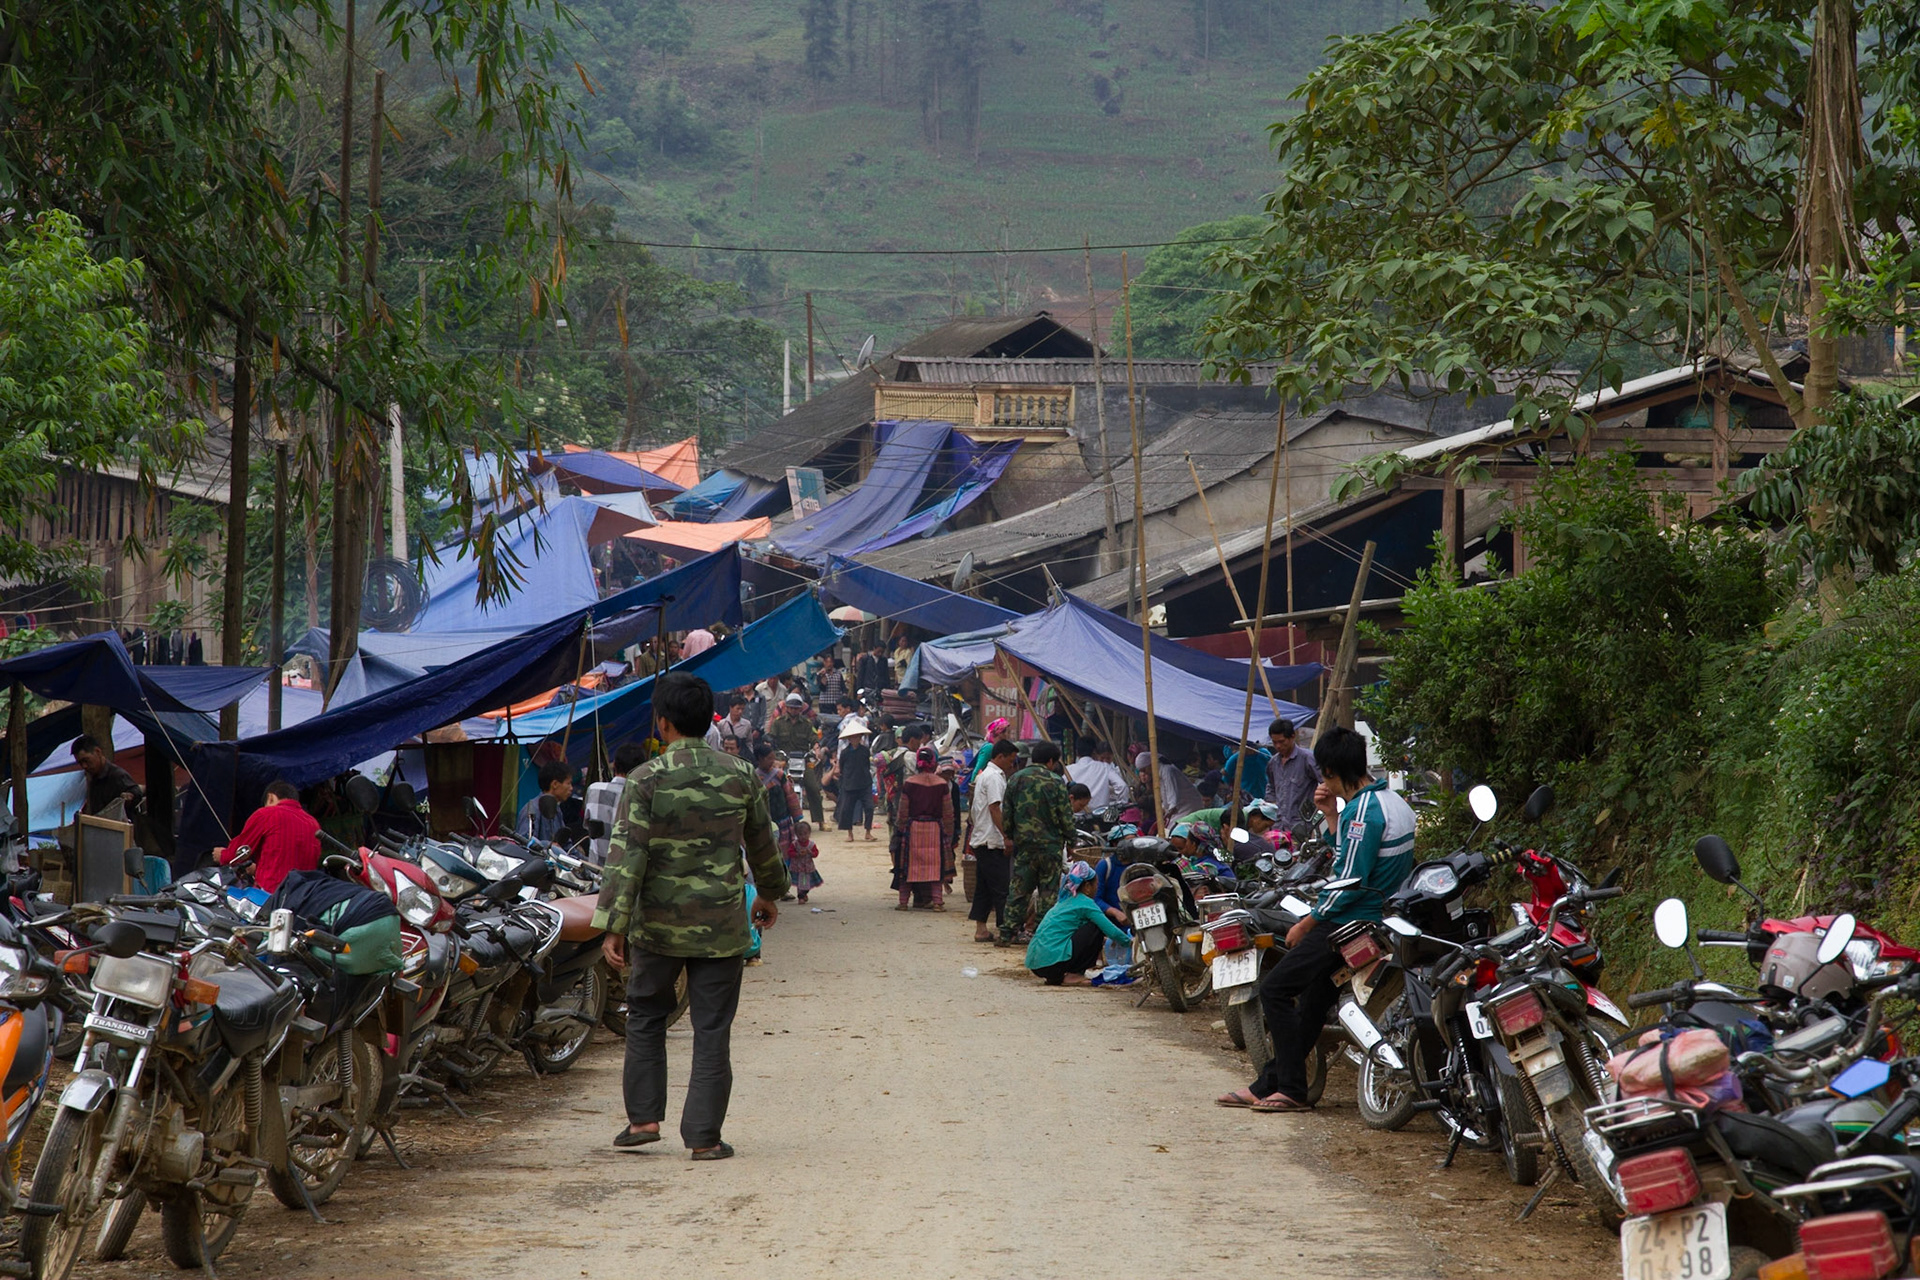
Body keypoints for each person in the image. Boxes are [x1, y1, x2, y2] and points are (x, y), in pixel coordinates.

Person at [592, 671, 787, 1160]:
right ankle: (703, 1138)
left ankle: (642, 1121)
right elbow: (764, 845)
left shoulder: (644, 780)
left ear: (662, 724)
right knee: (711, 1029)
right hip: (721, 928)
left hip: (656, 928)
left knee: (645, 1018)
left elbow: (626, 857)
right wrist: (769, 894)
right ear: (709, 721)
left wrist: (613, 925)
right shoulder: (740, 776)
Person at [1217, 725, 1414, 1113]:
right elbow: (1354, 855)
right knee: (1310, 1003)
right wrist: (1328, 814)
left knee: (1274, 989)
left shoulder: (1362, 812)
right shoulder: (1396, 804)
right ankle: (1269, 1083)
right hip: (1378, 918)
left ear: (1329, 772)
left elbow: (1348, 881)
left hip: (1347, 921)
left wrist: (1307, 922)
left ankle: (1291, 1089)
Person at [998, 741, 1075, 948]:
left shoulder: (1015, 778)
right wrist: (1072, 840)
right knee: (1048, 892)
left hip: (1024, 846)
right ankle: (1042, 935)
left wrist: (1010, 835)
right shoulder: (1057, 781)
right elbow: (1065, 815)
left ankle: (1007, 933)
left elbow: (1008, 813)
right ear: (1050, 761)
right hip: (1051, 847)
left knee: (1019, 889)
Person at [1025, 861, 1132, 986]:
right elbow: (1111, 931)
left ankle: (1056, 977)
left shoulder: (1064, 900)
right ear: (1087, 887)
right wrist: (1132, 943)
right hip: (1052, 964)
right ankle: (1074, 974)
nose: (1097, 888)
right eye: (1095, 884)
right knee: (1095, 927)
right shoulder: (1086, 903)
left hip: (1037, 965)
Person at [217, 780, 321, 893]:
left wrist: (222, 855)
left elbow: (235, 854)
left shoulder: (266, 814)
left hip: (270, 895)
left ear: (270, 798)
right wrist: (257, 869)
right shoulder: (313, 823)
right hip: (303, 895)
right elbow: (292, 862)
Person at [893, 745, 956, 910]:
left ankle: (903, 902)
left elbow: (902, 811)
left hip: (913, 828)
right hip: (935, 829)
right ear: (934, 762)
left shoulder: (909, 783)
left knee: (908, 867)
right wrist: (948, 834)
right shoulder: (941, 784)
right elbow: (948, 812)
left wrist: (900, 829)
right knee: (935, 867)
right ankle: (937, 902)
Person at [966, 738, 1017, 942]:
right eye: (1010, 760)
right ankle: (1006, 931)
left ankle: (981, 929)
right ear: (1000, 756)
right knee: (1002, 888)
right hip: (991, 840)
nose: (1012, 764)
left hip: (983, 838)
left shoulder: (985, 775)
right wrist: (1006, 836)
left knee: (985, 887)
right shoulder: (994, 777)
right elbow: (995, 807)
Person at [585, 742, 649, 865]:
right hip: (624, 874)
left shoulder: (594, 789)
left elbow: (588, 825)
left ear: (614, 765)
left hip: (594, 870)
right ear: (641, 770)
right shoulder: (643, 798)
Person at [1265, 717, 1323, 841]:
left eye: (1282, 741)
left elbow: (1326, 782)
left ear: (1292, 737)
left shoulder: (1308, 759)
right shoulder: (1273, 763)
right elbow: (1271, 787)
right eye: (1274, 742)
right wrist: (1271, 805)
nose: (1278, 746)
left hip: (1302, 827)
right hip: (1278, 827)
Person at [72, 734, 141, 821]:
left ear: (98, 752)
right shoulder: (94, 780)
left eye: (86, 760)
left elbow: (136, 792)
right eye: (80, 763)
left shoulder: (117, 775)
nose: (84, 766)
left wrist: (130, 796)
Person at [831, 718, 874, 841]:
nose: (856, 739)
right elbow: (843, 767)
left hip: (864, 782)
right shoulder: (844, 753)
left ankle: (868, 832)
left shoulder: (865, 751)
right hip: (849, 783)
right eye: (853, 737)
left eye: (858, 737)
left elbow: (866, 765)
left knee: (869, 807)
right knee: (847, 809)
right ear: (849, 738)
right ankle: (850, 834)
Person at [751, 743, 801, 842]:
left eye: (773, 758)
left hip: (782, 821)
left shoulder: (780, 775)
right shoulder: (754, 778)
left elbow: (790, 796)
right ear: (760, 758)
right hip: (764, 823)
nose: (772, 761)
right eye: (769, 758)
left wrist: (796, 819)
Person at [517, 761, 573, 843]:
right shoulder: (533, 809)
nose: (571, 788)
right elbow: (525, 842)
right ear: (555, 784)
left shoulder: (557, 810)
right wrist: (548, 846)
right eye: (568, 783)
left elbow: (565, 845)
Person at [1065, 744, 1128, 813]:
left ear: (1077, 753)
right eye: (1102, 757)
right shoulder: (1104, 767)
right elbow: (1122, 786)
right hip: (1101, 815)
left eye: (1108, 758)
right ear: (1095, 753)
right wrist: (1121, 806)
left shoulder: (1067, 770)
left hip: (1076, 816)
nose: (1105, 760)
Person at [783, 819, 822, 904]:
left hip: (808, 868)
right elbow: (790, 853)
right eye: (800, 834)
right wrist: (797, 854)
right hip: (798, 867)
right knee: (801, 883)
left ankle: (804, 894)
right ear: (797, 835)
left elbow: (816, 853)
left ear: (809, 833)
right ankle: (801, 896)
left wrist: (811, 853)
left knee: (806, 883)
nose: (803, 836)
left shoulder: (811, 844)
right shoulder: (795, 844)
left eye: (805, 834)